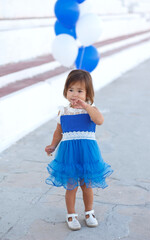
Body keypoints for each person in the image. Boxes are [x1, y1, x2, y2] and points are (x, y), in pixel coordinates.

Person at [45, 69, 113, 230]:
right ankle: (71, 215)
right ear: (65, 91)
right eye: (71, 90)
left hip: (87, 153)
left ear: (88, 93)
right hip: (69, 154)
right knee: (71, 185)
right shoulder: (63, 111)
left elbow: (100, 120)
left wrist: (86, 105)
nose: (74, 94)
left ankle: (89, 212)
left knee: (87, 184)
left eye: (80, 91)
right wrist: (53, 145)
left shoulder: (91, 109)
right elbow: (58, 132)